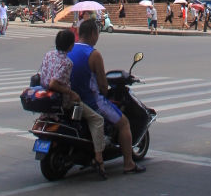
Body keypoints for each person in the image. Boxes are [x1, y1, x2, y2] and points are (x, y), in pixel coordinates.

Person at [68, 18, 146, 174]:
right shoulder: (94, 54)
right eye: (97, 34)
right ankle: (129, 164)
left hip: (71, 99)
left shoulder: (69, 49)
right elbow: (103, 86)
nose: (97, 37)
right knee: (124, 124)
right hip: (91, 101)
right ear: (92, 34)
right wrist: (104, 94)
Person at [39, 29, 107, 179]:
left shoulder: (48, 55)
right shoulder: (67, 62)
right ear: (70, 46)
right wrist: (71, 93)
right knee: (97, 119)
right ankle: (99, 159)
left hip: (49, 100)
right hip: (65, 102)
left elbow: (43, 77)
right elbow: (54, 83)